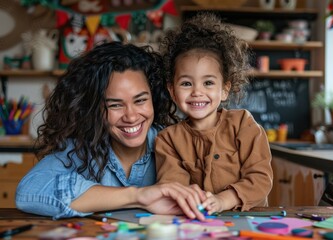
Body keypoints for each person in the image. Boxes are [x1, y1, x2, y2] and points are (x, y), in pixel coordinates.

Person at [16, 41, 206, 220]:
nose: (131, 116)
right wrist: (138, 196)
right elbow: (29, 191)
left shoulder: (175, 142)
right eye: (115, 105)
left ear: (154, 99)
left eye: (140, 100)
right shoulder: (81, 149)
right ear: (94, 109)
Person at [155, 13, 273, 215]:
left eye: (208, 82)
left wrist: (222, 200)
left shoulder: (243, 125)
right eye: (186, 83)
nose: (197, 92)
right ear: (172, 90)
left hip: (250, 221)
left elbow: (261, 179)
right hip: (197, 223)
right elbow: (174, 189)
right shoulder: (167, 140)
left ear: (225, 88)